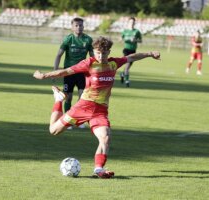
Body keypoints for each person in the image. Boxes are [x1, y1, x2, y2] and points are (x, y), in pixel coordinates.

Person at [33, 37, 160, 178]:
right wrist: (44, 75)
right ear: (93, 52)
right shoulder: (88, 63)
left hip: (100, 112)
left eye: (104, 53)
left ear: (108, 52)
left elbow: (131, 57)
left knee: (105, 137)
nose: (101, 56)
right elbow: (65, 71)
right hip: (82, 107)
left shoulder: (113, 63)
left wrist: (149, 54)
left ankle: (99, 170)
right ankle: (58, 100)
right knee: (53, 131)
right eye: (98, 53)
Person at [53, 17, 94, 128]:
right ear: (72, 27)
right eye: (76, 25)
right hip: (69, 72)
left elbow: (93, 57)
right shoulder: (68, 39)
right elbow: (58, 55)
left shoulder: (88, 40)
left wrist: (95, 71)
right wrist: (55, 71)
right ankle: (67, 119)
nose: (79, 27)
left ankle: (78, 120)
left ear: (83, 26)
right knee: (68, 97)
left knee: (82, 98)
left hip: (82, 72)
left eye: (80, 25)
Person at [120, 17, 142, 87]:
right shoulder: (125, 31)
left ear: (134, 23)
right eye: (130, 22)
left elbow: (140, 41)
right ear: (128, 23)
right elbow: (120, 39)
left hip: (133, 50)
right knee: (128, 65)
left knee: (128, 66)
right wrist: (125, 39)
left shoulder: (137, 31)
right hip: (126, 50)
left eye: (133, 22)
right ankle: (127, 81)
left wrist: (135, 40)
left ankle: (122, 74)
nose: (131, 23)